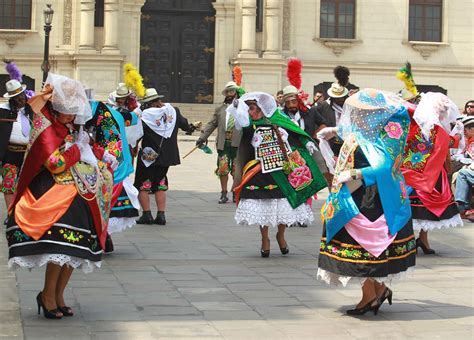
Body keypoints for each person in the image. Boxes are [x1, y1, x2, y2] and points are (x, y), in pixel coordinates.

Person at [6, 74, 114, 319]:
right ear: (56, 109)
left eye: (74, 112)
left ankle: (58, 294)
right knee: (61, 246)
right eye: (67, 112)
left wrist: (100, 153)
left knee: (76, 249)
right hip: (51, 191)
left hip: (78, 191)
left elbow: (85, 145)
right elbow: (55, 163)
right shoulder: (45, 129)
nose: (72, 117)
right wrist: (78, 150)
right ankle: (47, 295)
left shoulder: (70, 127)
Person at [317, 89, 415, 315]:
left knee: (366, 248)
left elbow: (385, 166)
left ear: (376, 114)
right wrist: (334, 131)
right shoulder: (366, 130)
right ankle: (378, 290)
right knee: (367, 248)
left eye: (363, 112)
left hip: (373, 198)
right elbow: (356, 133)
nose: (358, 116)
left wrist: (356, 174)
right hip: (358, 194)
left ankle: (370, 295)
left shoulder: (386, 136)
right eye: (358, 112)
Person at [229, 92, 327, 257]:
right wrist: (238, 110)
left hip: (282, 168)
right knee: (262, 205)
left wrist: (308, 142)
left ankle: (280, 235)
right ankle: (264, 239)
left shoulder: (278, 119)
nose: (250, 112)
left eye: (252, 108)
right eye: (249, 109)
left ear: (260, 108)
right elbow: (241, 129)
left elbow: (296, 133)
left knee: (286, 203)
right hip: (259, 170)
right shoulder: (248, 124)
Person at [401, 92, 463, 254]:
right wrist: (457, 135)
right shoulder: (434, 129)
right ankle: (416, 239)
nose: (444, 114)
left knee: (412, 207)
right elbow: (448, 142)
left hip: (414, 170)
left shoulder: (413, 125)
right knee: (415, 207)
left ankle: (421, 239)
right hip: (427, 173)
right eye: (442, 110)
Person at [134, 88, 196, 225]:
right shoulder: (173, 111)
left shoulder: (144, 115)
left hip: (148, 155)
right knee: (160, 184)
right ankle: (161, 215)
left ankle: (147, 214)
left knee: (143, 184)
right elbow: (185, 125)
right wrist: (191, 128)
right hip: (167, 155)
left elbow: (136, 134)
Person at [196, 81, 242, 204]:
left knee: (236, 170)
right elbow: (212, 124)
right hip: (223, 143)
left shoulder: (243, 108)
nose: (230, 94)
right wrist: (202, 137)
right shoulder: (220, 109)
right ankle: (223, 193)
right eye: (228, 92)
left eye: (232, 91)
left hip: (238, 144)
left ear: (237, 93)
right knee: (223, 169)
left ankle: (235, 192)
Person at [0, 79, 33, 220]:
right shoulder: (4, 112)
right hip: (10, 154)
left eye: (22, 95)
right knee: (9, 183)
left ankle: (24, 212)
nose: (20, 99)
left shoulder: (31, 110)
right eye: (17, 97)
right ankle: (10, 213)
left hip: (28, 154)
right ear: (12, 99)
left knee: (26, 184)